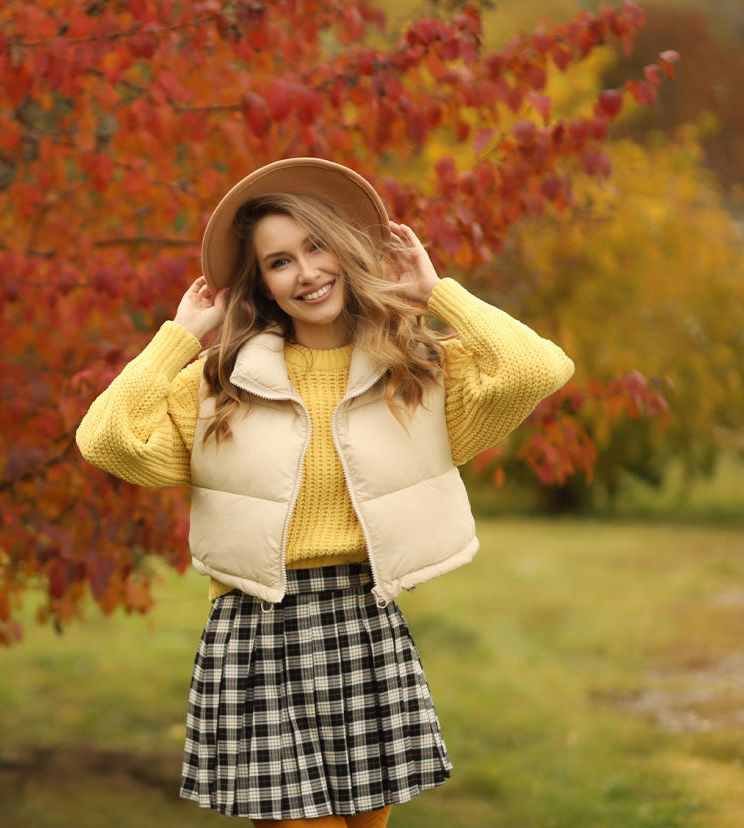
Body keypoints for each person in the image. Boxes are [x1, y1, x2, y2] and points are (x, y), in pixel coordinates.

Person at [75, 158, 574, 827]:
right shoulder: (219, 384)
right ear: (264, 285)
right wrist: (181, 339)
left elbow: (535, 369)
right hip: (258, 636)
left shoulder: (413, 369)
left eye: (316, 247)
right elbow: (105, 440)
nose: (306, 273)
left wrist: (434, 293)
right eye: (280, 262)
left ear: (346, 249)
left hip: (364, 627)